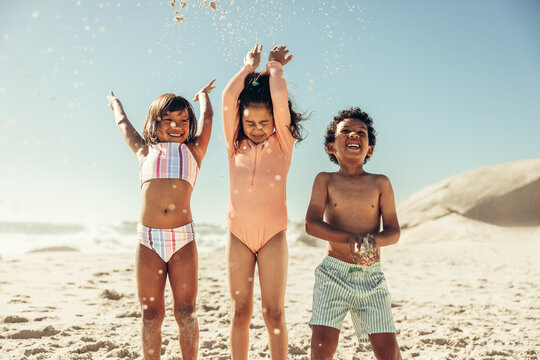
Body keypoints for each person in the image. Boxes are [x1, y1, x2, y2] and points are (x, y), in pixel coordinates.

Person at [107, 79, 215, 360]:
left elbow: (209, 117)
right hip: (149, 241)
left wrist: (203, 96)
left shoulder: (194, 151)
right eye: (167, 119)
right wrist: (116, 105)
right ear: (154, 124)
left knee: (186, 312)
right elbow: (123, 125)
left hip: (182, 240)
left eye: (183, 119)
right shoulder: (145, 152)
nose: (176, 125)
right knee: (151, 314)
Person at [221, 44, 305, 360]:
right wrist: (246, 69)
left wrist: (274, 67)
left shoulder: (283, 144)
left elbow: (280, 100)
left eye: (264, 123)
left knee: (274, 313)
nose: (257, 130)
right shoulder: (233, 144)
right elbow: (229, 100)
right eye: (249, 124)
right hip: (238, 236)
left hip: (272, 237)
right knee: (241, 311)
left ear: (275, 120)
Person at [305, 107, 402, 360]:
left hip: (372, 278)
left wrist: (373, 241)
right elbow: (312, 223)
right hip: (332, 275)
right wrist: (348, 239)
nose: (354, 135)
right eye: (345, 131)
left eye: (362, 132)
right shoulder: (325, 180)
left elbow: (393, 231)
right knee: (322, 349)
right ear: (330, 146)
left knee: (389, 352)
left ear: (369, 149)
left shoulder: (380, 183)